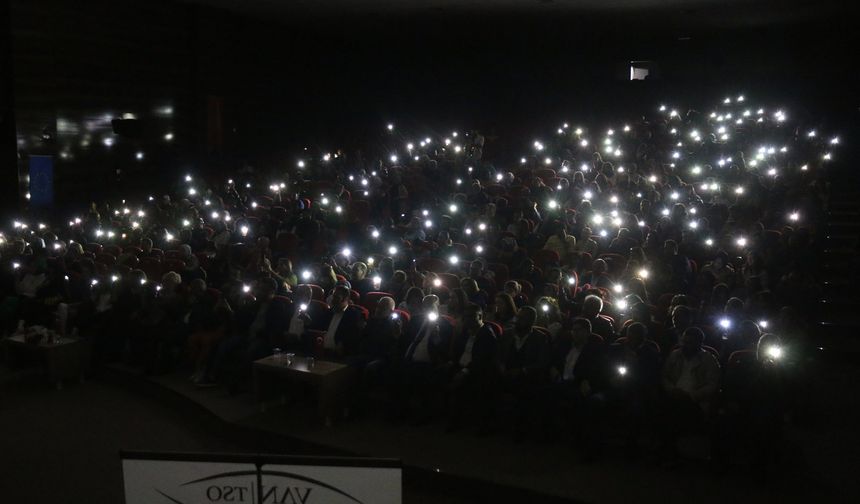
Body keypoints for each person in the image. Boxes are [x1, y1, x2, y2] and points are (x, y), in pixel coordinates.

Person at [658, 327, 720, 464]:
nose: (686, 345)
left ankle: (673, 453)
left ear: (699, 343)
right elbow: (664, 376)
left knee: (678, 412)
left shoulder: (708, 360)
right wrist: (672, 390)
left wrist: (692, 396)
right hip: (673, 395)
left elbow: (712, 384)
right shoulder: (675, 355)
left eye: (690, 343)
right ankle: (669, 451)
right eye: (684, 342)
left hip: (696, 401)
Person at [498, 306, 550, 441]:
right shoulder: (508, 334)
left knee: (524, 391)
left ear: (531, 321)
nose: (517, 321)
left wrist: (522, 371)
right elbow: (498, 355)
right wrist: (501, 366)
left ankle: (520, 429)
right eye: (518, 317)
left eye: (522, 319)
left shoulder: (540, 338)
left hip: (527, 375)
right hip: (505, 372)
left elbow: (542, 363)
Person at [446, 303, 499, 432]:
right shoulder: (466, 332)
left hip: (477, 370)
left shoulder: (487, 334)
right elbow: (458, 352)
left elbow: (481, 360)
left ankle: (463, 422)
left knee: (464, 382)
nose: (467, 320)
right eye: (466, 317)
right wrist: (451, 363)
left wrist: (464, 371)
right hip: (461, 366)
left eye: (471, 317)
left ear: (480, 316)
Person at [313, 285, 366, 358]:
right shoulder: (328, 313)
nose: (333, 300)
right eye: (333, 297)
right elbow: (318, 328)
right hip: (322, 352)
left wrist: (343, 345)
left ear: (345, 299)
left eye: (336, 298)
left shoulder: (354, 316)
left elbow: (355, 338)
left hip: (341, 356)